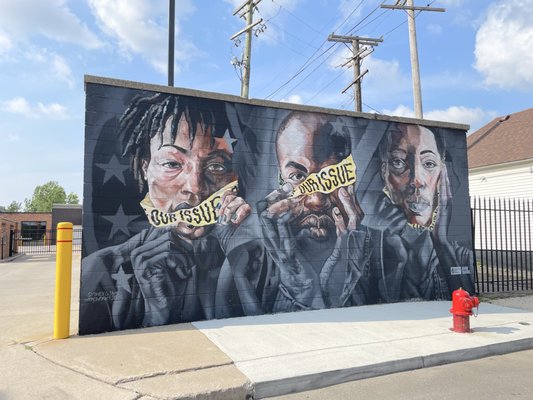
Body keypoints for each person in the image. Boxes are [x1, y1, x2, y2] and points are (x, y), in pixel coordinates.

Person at [79, 93, 252, 334]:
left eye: (216, 166)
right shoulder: (100, 272)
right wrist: (157, 315)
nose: (195, 186)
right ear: (145, 169)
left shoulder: (253, 255)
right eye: (172, 164)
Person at [246, 111, 381, 313]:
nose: (316, 199)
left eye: (330, 177)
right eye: (298, 176)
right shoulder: (247, 265)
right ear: (280, 181)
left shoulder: (390, 253)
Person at [373, 123, 474, 302]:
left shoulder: (460, 256)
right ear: (385, 174)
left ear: (442, 176)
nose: (417, 181)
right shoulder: (367, 250)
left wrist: (441, 242)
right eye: (398, 162)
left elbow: (467, 299)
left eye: (429, 163)